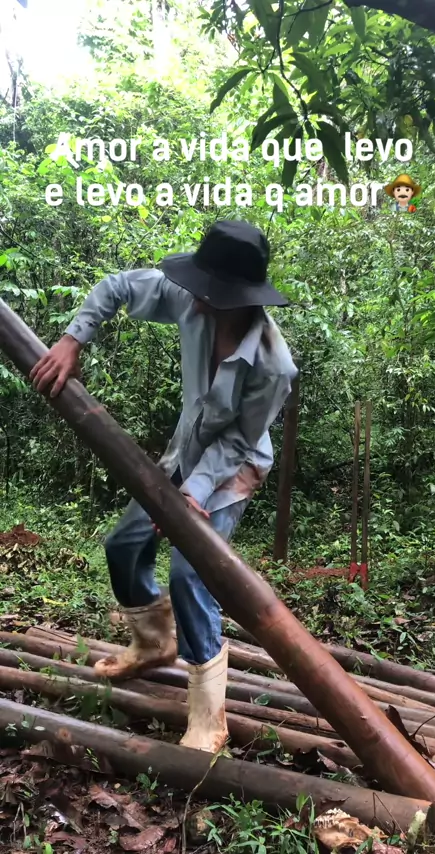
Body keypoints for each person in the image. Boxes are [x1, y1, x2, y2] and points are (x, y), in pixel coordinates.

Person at [30, 219, 297, 753]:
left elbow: (240, 440)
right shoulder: (190, 300)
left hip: (232, 468)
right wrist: (72, 339)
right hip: (184, 450)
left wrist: (194, 493)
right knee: (124, 545)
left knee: (189, 572)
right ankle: (154, 643)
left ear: (236, 297)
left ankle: (208, 716)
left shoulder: (273, 365)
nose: (193, 298)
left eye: (207, 292)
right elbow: (118, 287)